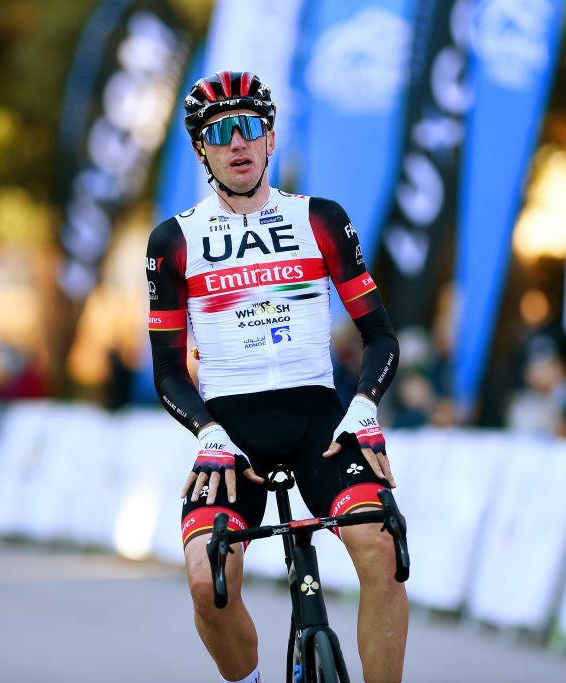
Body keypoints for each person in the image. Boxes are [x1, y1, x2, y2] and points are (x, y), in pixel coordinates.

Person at [145, 71, 406, 683]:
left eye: (249, 128)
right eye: (220, 133)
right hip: (230, 432)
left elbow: (381, 337)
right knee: (206, 579)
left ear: (268, 138)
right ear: (202, 150)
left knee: (383, 550)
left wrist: (364, 408)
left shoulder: (320, 219)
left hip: (321, 421)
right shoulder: (173, 241)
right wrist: (207, 433)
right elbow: (168, 372)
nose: (237, 142)